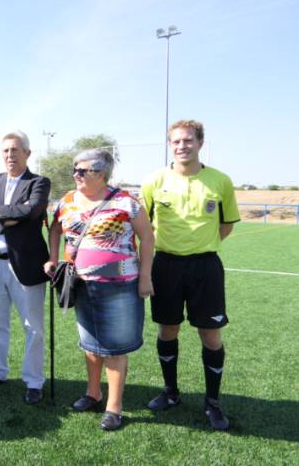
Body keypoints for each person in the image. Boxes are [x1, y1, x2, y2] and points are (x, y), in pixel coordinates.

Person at [44, 149, 154, 431]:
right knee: (90, 346)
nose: (76, 175)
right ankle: (93, 393)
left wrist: (145, 277)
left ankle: (114, 407)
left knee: (114, 349)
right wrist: (53, 259)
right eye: (75, 170)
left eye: (83, 170)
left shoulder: (126, 202)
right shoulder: (67, 200)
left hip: (120, 286)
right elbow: (54, 230)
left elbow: (147, 237)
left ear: (102, 174)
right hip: (81, 284)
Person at [141, 120, 240, 431]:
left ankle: (213, 402)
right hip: (165, 265)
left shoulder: (220, 181)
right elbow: (143, 228)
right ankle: (171, 392)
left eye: (187, 140)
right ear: (169, 145)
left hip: (205, 267)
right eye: (176, 141)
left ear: (200, 143)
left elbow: (226, 225)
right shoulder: (154, 181)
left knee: (210, 335)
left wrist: (201, 247)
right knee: (167, 330)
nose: (181, 146)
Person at [0, 131, 50, 405]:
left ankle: (34, 381)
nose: (10, 155)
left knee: (33, 327)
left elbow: (31, 211)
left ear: (27, 153)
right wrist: (10, 215)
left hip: (26, 265)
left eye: (15, 150)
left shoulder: (38, 182)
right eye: (5, 150)